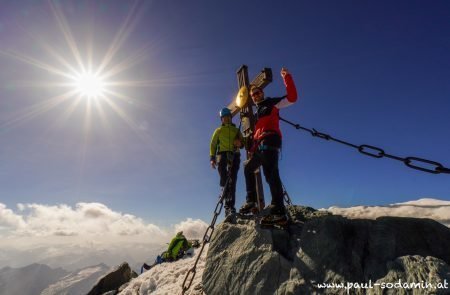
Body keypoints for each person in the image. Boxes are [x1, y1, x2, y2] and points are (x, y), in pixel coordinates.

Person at [239, 67, 298, 224]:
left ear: (262, 93)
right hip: (261, 145)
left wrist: (287, 77)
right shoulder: (258, 112)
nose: (256, 95)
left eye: (258, 92)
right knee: (248, 167)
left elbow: (292, 98)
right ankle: (251, 200)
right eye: (253, 95)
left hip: (270, 140)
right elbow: (258, 132)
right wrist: (251, 146)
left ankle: (278, 211)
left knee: (271, 174)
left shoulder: (272, 103)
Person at [210, 107, 244, 222]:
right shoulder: (218, 130)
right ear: (222, 119)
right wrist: (212, 157)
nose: (227, 119)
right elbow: (213, 144)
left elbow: (243, 142)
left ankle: (229, 207)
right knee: (224, 175)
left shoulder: (236, 130)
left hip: (235, 155)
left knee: (232, 181)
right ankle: (223, 185)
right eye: (224, 117)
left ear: (230, 117)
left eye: (228, 117)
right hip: (222, 154)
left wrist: (240, 142)